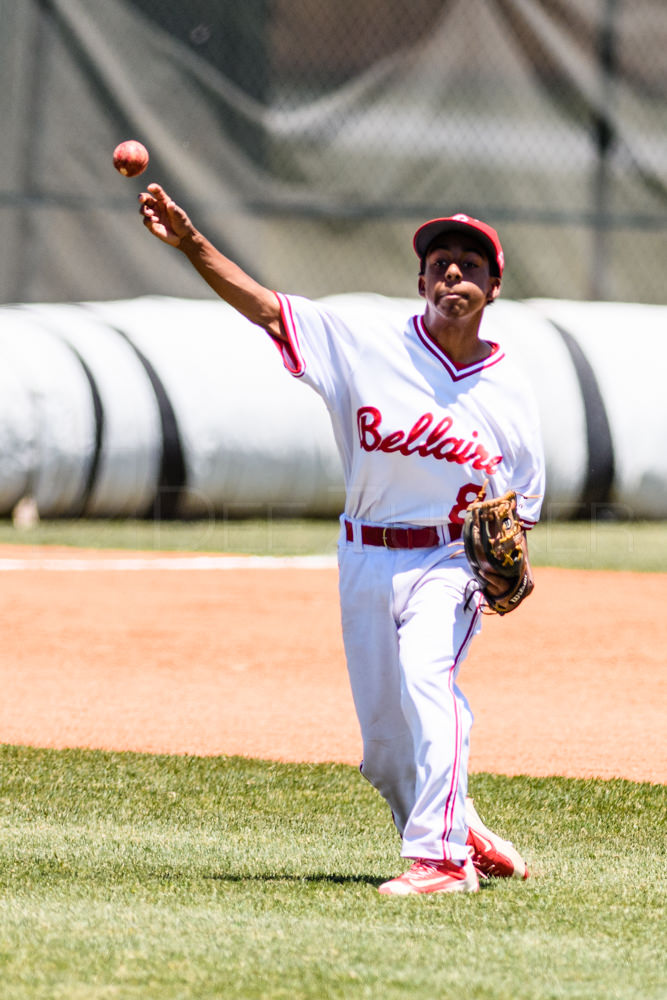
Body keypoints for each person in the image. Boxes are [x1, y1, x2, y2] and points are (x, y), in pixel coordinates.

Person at [138, 184, 545, 895]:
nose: (454, 273)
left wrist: (503, 565)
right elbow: (265, 305)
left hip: (449, 560)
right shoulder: (361, 345)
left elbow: (523, 503)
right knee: (385, 752)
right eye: (440, 262)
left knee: (429, 679)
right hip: (364, 557)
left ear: (494, 285)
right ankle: (465, 830)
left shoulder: (510, 387)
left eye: (471, 265)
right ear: (419, 281)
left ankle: (441, 860)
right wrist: (190, 243)